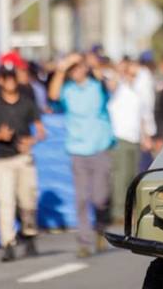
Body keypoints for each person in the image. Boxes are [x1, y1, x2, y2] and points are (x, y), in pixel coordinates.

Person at [48, 52, 115, 258]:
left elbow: (110, 85)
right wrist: (61, 68)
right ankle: (84, 242)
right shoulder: (68, 91)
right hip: (77, 149)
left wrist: (90, 63)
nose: (76, 72)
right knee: (81, 198)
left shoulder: (97, 86)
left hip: (99, 146)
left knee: (99, 197)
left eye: (79, 68)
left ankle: (101, 228)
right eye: (72, 69)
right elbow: (52, 96)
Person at [0, 66, 45, 261]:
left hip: (23, 157)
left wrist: (31, 141)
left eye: (12, 78)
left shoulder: (27, 103)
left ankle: (29, 235)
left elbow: (41, 130)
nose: (10, 82)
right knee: (5, 201)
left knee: (27, 200)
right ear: (1, 80)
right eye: (6, 78)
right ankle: (8, 242)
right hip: (3, 158)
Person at [107, 58, 154, 222]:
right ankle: (119, 212)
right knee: (121, 176)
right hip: (120, 137)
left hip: (135, 138)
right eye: (130, 73)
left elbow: (142, 116)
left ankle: (132, 209)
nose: (132, 76)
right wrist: (121, 71)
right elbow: (111, 85)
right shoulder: (119, 87)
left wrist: (145, 136)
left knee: (134, 175)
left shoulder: (138, 91)